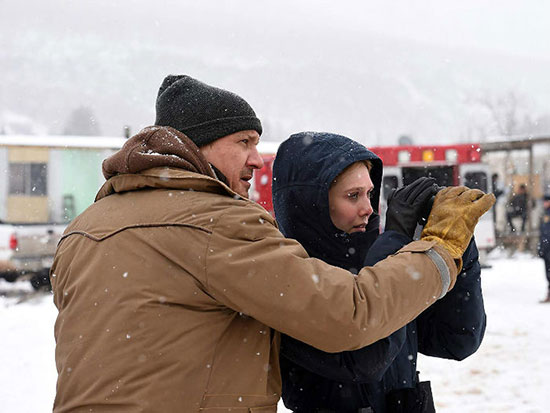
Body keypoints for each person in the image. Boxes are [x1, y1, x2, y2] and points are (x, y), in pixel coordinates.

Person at [50, 75, 494, 412]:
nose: (256, 159)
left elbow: (457, 337)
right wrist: (438, 245)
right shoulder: (217, 224)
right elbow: (353, 320)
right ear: (197, 145)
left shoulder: (85, 228)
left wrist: (456, 250)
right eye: (243, 142)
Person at [273, 132, 486, 412]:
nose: (368, 209)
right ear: (309, 203)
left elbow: (456, 339)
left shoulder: (383, 261)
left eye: (370, 194)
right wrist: (395, 240)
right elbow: (366, 359)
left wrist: (456, 246)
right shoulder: (286, 275)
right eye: (353, 196)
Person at [538, 194, 550, 303]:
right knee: (548, 272)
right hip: (546, 248)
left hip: (548, 247)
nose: (544, 203)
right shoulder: (545, 213)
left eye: (546, 201)